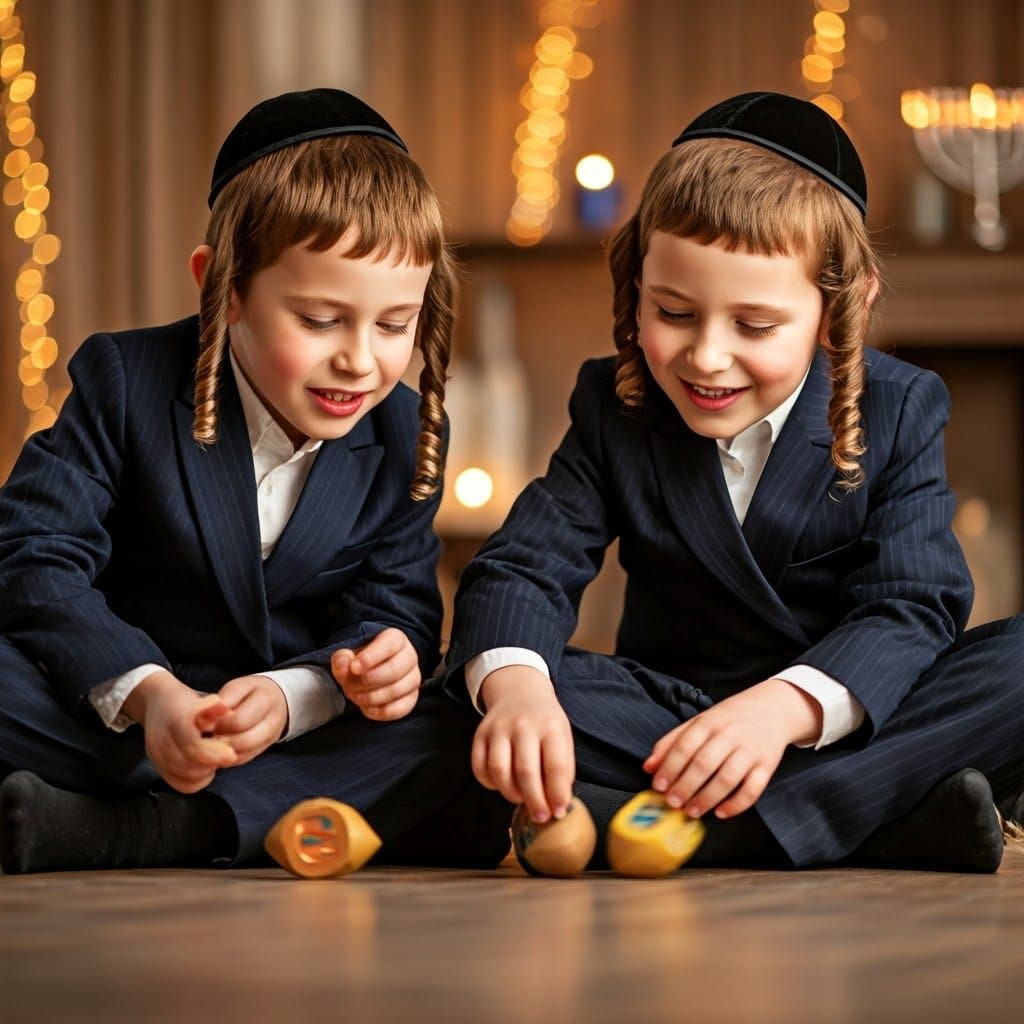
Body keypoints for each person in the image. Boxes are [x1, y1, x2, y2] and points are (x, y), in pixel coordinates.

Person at [443, 92, 1024, 873]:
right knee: (465, 685)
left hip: (840, 716)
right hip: (668, 719)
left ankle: (704, 827)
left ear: (839, 310)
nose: (707, 357)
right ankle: (882, 815)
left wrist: (781, 711)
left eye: (754, 327)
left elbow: (912, 606)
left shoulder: (899, 405)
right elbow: (524, 566)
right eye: (674, 313)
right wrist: (518, 693)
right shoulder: (618, 406)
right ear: (634, 289)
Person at [0, 88, 511, 874]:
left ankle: (144, 832)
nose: (360, 359)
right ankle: (246, 812)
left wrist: (329, 685)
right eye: (318, 320)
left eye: (394, 325)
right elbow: (33, 556)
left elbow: (396, 612)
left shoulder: (406, 432)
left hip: (284, 727)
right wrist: (150, 696)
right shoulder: (125, 381)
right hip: (118, 714)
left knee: (456, 723)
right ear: (223, 289)